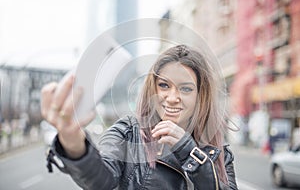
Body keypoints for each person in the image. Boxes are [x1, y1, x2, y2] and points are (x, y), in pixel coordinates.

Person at [41, 44, 238, 190]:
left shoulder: (218, 151)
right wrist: (73, 142)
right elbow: (100, 181)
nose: (172, 98)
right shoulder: (128, 132)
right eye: (164, 86)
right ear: (153, 88)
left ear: (199, 95)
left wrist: (189, 151)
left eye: (185, 89)